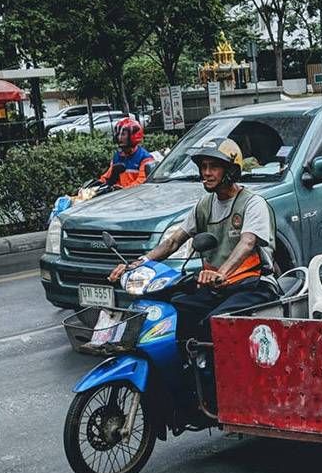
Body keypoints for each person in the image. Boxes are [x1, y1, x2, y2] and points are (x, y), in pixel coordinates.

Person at [109, 137, 278, 340]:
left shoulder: (252, 203)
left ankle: (210, 370)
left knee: (214, 322)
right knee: (174, 308)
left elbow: (247, 242)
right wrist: (138, 263)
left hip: (253, 285)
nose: (206, 173)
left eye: (214, 167)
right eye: (203, 167)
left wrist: (220, 274)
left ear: (231, 170)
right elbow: (173, 242)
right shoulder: (204, 205)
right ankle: (186, 364)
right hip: (219, 289)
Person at [98, 117, 155, 189]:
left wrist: (122, 189)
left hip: (135, 196)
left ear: (134, 136)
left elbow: (141, 182)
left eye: (123, 134)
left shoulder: (145, 158)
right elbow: (107, 177)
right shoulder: (117, 156)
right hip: (119, 196)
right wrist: (95, 186)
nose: (119, 137)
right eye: (118, 134)